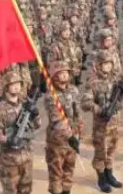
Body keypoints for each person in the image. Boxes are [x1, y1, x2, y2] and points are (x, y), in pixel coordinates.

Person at [0, 71, 41, 194]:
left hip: (26, 158)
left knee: (26, 190)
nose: (16, 87)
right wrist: (7, 139)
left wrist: (36, 115)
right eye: (13, 84)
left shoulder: (25, 104)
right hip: (9, 161)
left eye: (18, 83)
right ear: (6, 87)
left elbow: (36, 126)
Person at [81, 50, 123, 193]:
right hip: (101, 125)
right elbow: (85, 103)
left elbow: (119, 100)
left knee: (111, 149)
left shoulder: (114, 80)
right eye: (105, 64)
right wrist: (100, 110)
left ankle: (109, 173)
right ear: (99, 65)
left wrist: (122, 93)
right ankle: (101, 178)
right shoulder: (93, 82)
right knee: (101, 151)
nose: (108, 66)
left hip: (114, 122)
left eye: (110, 63)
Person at [44, 61, 83, 194]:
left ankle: (67, 191)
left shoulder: (73, 90)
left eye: (66, 72)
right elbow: (56, 120)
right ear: (55, 76)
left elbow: (78, 113)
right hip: (57, 141)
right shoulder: (51, 95)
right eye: (61, 73)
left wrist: (79, 132)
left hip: (72, 138)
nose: (65, 75)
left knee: (69, 170)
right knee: (56, 173)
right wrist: (70, 136)